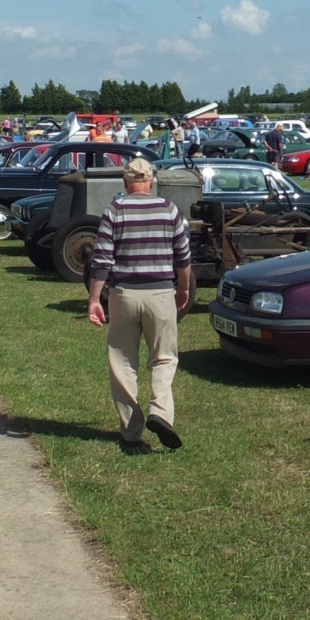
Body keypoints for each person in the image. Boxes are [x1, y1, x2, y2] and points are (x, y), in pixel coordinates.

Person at [85, 157, 193, 450]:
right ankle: (160, 411)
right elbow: (183, 256)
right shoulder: (169, 209)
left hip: (124, 294)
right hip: (160, 293)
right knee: (164, 357)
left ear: (125, 182)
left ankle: (131, 431)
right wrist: (183, 289)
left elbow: (102, 258)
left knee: (122, 361)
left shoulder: (115, 210)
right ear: (152, 181)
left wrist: (95, 299)